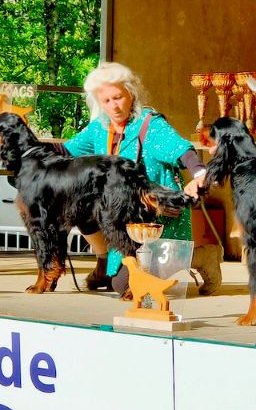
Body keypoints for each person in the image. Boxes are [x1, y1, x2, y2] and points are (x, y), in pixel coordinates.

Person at [63, 62, 222, 296]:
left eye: (118, 97)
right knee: (77, 207)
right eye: (106, 101)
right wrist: (23, 144)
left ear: (131, 93)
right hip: (121, 219)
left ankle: (201, 256)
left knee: (127, 287)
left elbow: (182, 150)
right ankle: (104, 261)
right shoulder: (99, 128)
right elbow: (65, 152)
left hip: (157, 217)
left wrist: (199, 172)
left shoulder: (150, 124)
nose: (113, 106)